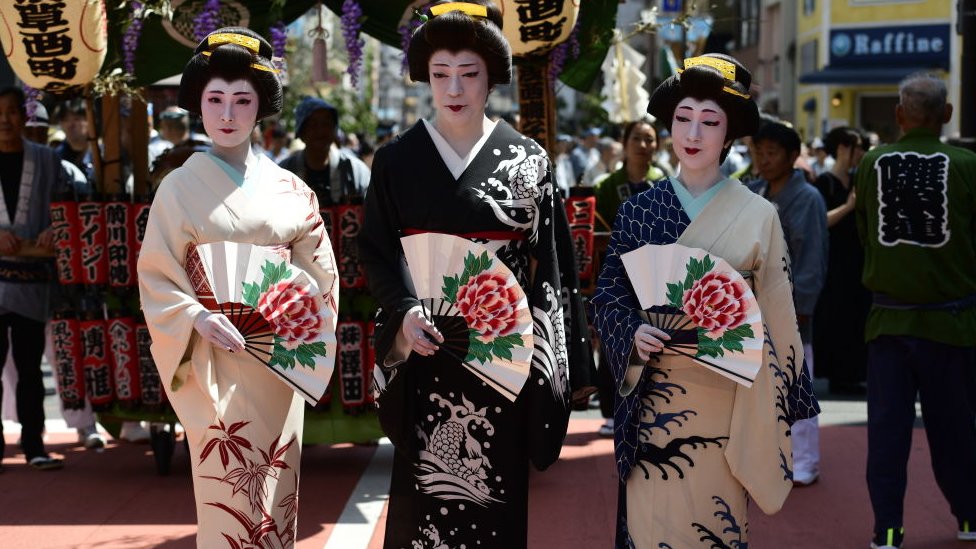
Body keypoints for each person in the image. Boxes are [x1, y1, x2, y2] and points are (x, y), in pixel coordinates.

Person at [358, 3, 573, 547]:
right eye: (440, 74)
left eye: (469, 73)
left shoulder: (529, 160)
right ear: (424, 78)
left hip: (501, 359)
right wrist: (404, 314)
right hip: (427, 351)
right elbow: (378, 252)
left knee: (496, 500)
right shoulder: (396, 160)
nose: (454, 88)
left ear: (492, 77)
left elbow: (547, 268)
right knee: (423, 504)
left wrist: (545, 361)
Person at [592, 54, 816, 548]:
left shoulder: (760, 215)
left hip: (729, 401)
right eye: (683, 119)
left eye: (709, 122)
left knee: (714, 523)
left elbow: (777, 312)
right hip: (655, 398)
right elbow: (607, 295)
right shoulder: (639, 210)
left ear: (728, 134)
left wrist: (789, 396)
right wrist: (630, 330)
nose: (693, 134)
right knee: (652, 522)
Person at [137, 27, 339, 547]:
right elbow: (158, 274)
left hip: (277, 361)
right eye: (216, 100)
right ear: (198, 105)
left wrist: (300, 335)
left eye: (242, 100)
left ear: (261, 107)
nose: (227, 114)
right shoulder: (178, 188)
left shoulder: (292, 190)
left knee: (278, 501)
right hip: (214, 362)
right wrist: (197, 316)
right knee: (227, 500)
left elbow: (320, 279)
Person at [854, 73, 976, 549]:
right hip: (953, 323)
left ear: (900, 116)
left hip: (889, 321)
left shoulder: (872, 163)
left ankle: (887, 528)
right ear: (946, 116)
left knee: (887, 432)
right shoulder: (967, 164)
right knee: (956, 431)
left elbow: (866, 235)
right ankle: (968, 516)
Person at [747, 122, 828, 487]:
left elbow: (812, 259)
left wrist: (801, 308)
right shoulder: (753, 191)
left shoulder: (808, 197)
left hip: (791, 308)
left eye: (772, 152)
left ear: (793, 157)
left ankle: (805, 461)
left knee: (796, 385)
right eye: (758, 151)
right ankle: (769, 457)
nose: (763, 159)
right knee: (758, 389)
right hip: (752, 306)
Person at [0, 86, 69, 471]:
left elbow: (67, 201)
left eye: (11, 112)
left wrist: (53, 228)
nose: (5, 120)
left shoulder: (45, 159)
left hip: (32, 278)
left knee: (29, 369)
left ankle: (34, 445)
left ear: (23, 116)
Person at [812, 126, 870, 395]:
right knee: (836, 315)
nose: (861, 152)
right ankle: (837, 374)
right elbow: (819, 221)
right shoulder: (825, 182)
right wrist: (848, 207)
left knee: (856, 313)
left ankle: (854, 373)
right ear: (843, 148)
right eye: (856, 147)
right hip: (834, 259)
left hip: (857, 258)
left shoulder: (859, 179)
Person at [278, 97, 370, 205]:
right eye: (313, 124)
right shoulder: (284, 173)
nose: (320, 131)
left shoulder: (356, 171)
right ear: (301, 132)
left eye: (326, 123)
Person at [592, 117, 666, 231]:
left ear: (657, 146)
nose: (642, 145)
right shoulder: (604, 187)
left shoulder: (667, 188)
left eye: (649, 140)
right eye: (636, 138)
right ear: (625, 143)